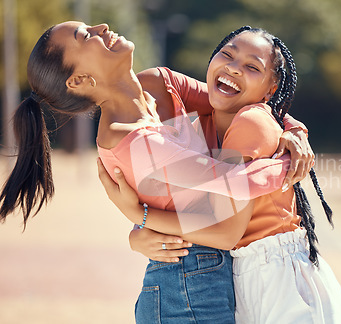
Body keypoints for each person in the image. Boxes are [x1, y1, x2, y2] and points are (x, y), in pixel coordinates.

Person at [0, 21, 313, 323]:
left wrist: (296, 133)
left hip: (206, 279)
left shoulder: (158, 83)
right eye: (85, 36)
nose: (102, 28)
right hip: (185, 287)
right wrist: (290, 165)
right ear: (80, 80)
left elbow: (242, 101)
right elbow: (235, 186)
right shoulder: (132, 139)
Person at [99, 26, 341, 323]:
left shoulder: (251, 122)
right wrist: (140, 235)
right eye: (227, 55)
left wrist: (139, 217)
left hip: (281, 280)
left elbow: (226, 232)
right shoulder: (208, 119)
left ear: (271, 90)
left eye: (252, 67)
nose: (233, 68)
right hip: (243, 275)